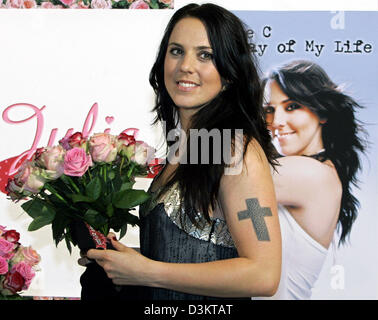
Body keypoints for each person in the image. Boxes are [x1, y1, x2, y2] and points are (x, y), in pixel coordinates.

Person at [80, 3, 282, 300]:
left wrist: (145, 271)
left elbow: (263, 274)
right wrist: (122, 262)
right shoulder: (186, 149)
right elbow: (189, 255)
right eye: (176, 51)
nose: (185, 65)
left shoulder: (237, 152)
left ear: (229, 74)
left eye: (205, 55)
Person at [256, 60, 367, 300]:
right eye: (269, 110)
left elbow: (220, 179)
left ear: (322, 113)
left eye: (292, 106)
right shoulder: (309, 173)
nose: (276, 122)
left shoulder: (313, 175)